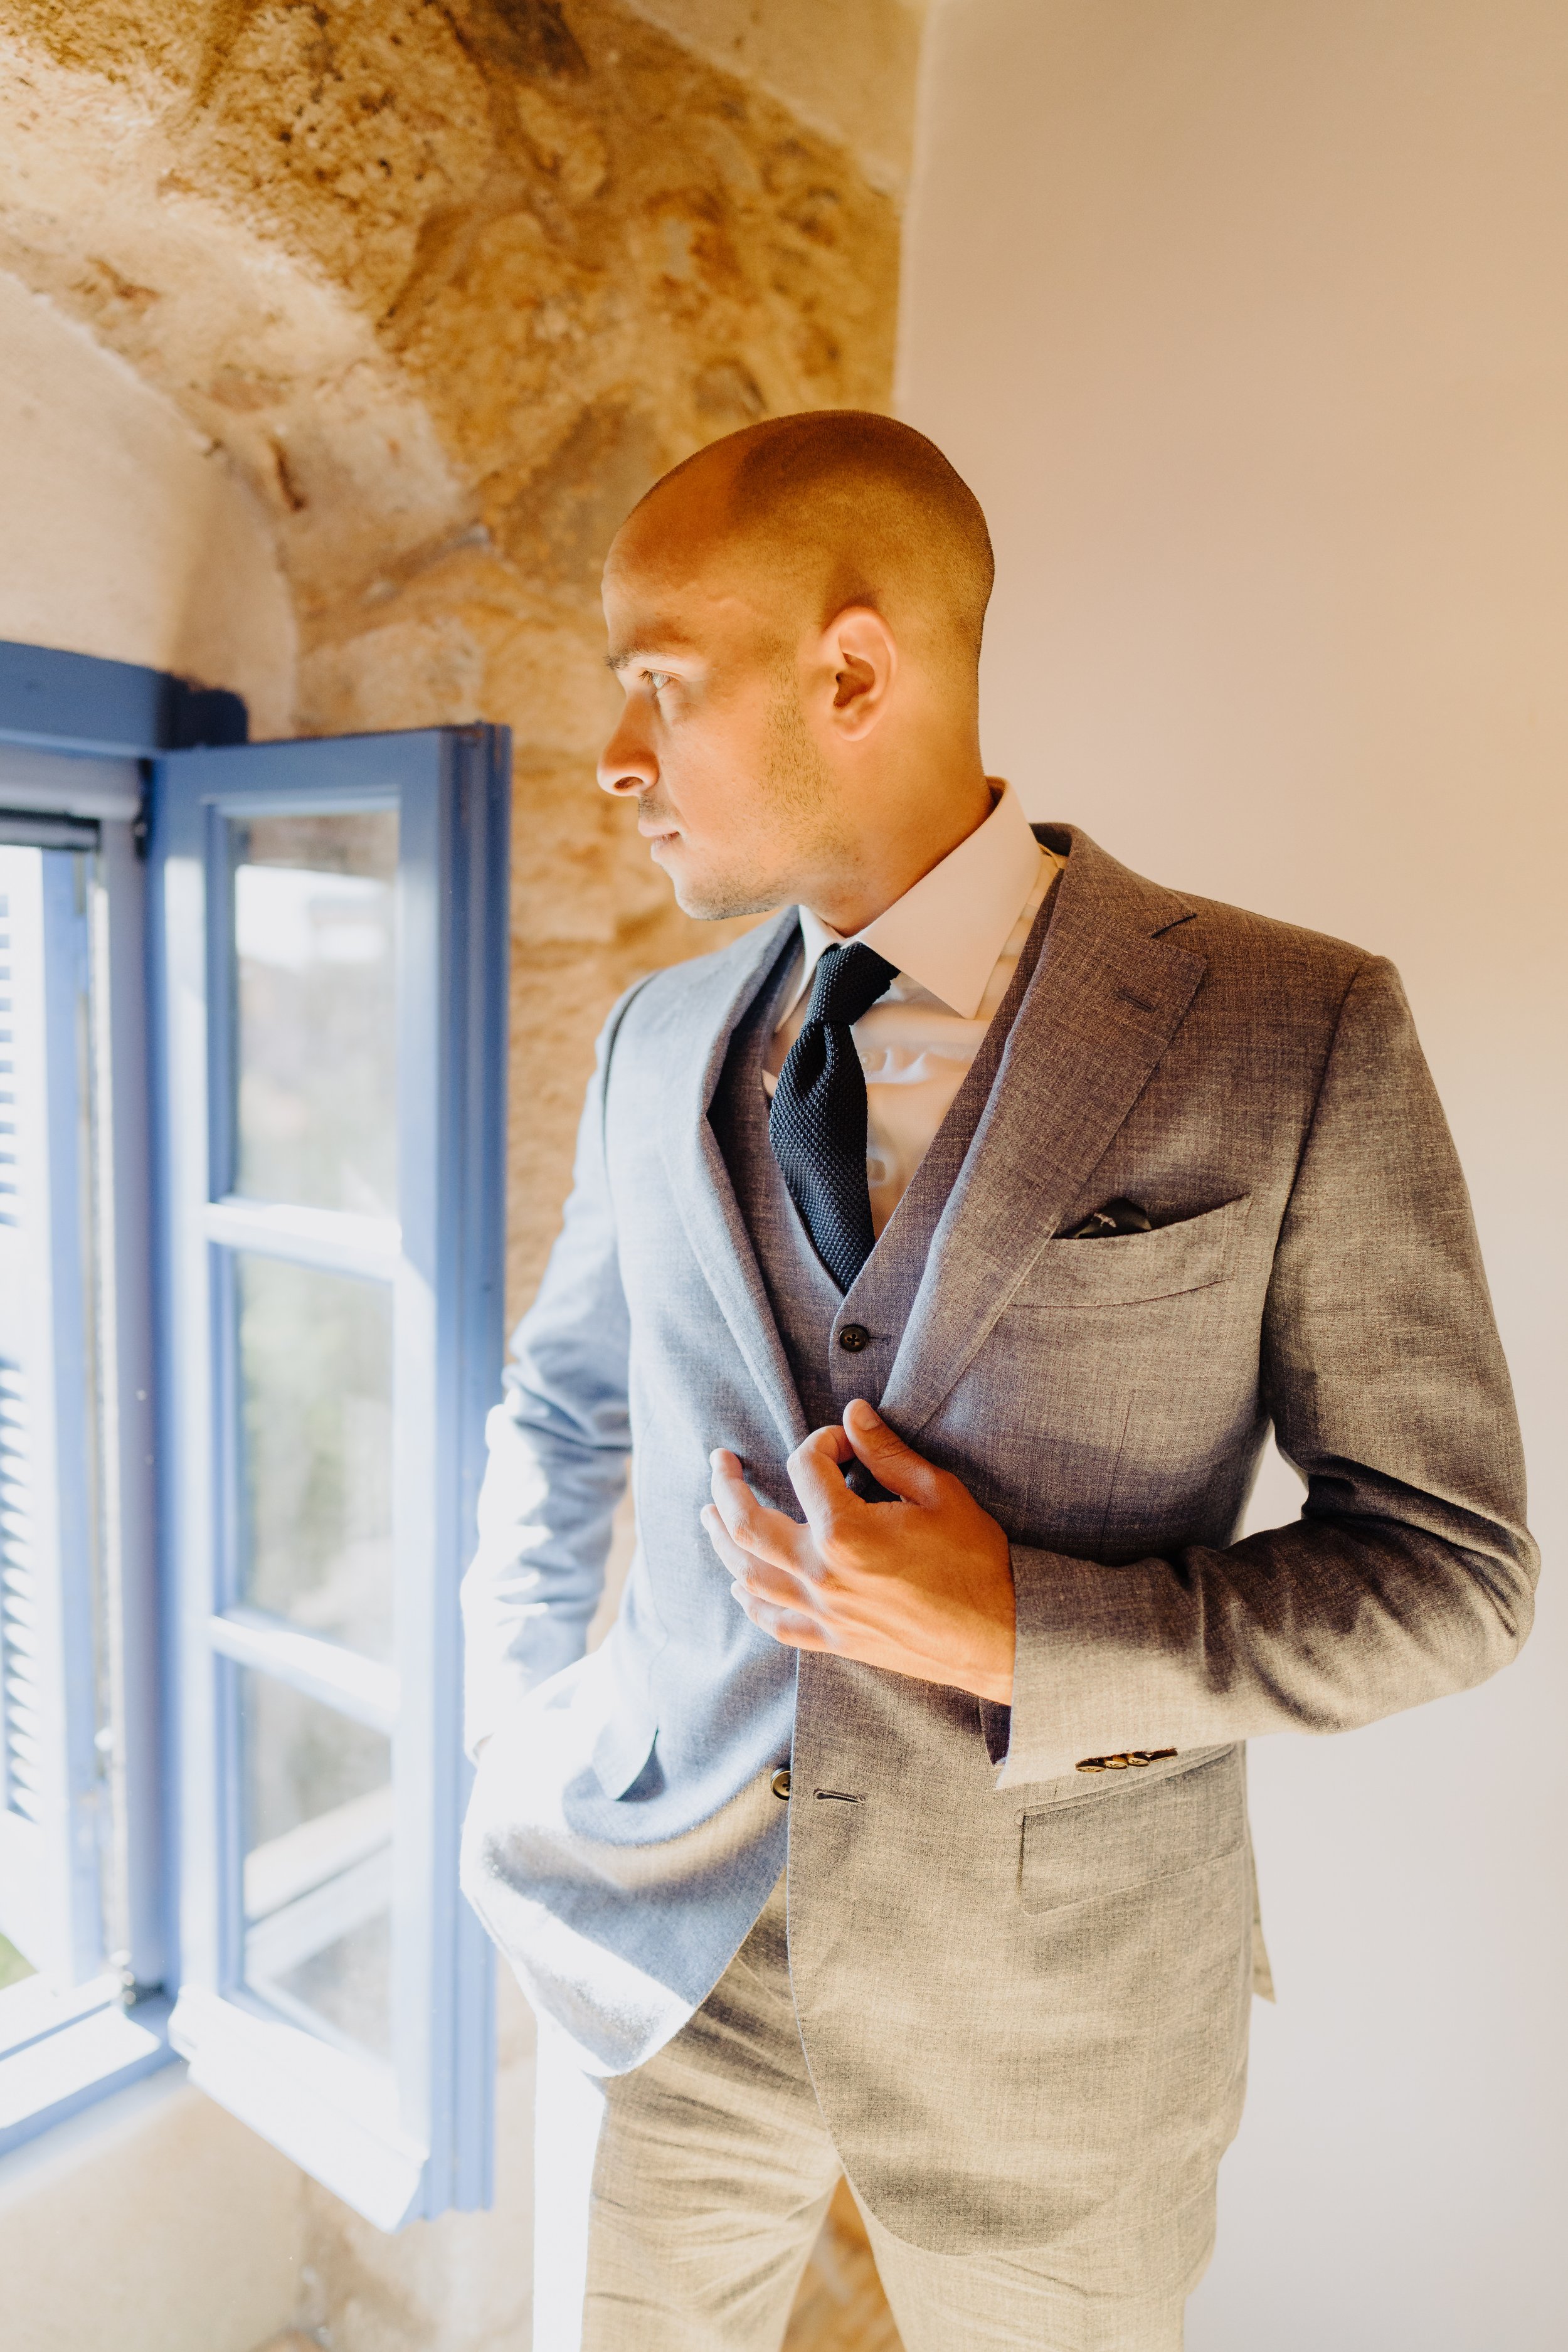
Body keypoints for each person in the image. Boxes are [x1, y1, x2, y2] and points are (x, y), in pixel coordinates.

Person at [459, 411, 1535, 2352]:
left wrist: (1029, 1633)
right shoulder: (653, 1037)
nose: (616, 754)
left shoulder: (1290, 1025)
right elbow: (559, 1408)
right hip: (669, 1958)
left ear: (852, 671)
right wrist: (515, 1717)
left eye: (658, 683)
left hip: (1060, 2024)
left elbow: (1450, 1575)